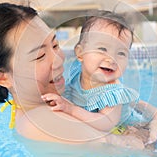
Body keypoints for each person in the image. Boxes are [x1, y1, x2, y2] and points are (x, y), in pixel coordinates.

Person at [0, 2, 157, 157]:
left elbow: (110, 97)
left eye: (55, 45)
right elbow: (135, 149)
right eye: (40, 56)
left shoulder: (43, 103)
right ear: (1, 76)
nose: (59, 59)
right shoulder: (41, 121)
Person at [42, 11, 150, 148]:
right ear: (81, 53)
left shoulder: (113, 92)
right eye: (102, 49)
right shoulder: (78, 71)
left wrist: (71, 109)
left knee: (139, 147)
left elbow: (105, 123)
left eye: (121, 53)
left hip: (131, 128)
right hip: (103, 126)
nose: (111, 59)